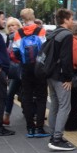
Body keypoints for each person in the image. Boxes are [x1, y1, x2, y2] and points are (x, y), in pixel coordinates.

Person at [15, 8, 49, 138]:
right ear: (33, 17)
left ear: (23, 19)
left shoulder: (19, 33)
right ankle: (40, 127)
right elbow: (45, 49)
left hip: (26, 68)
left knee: (27, 97)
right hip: (39, 68)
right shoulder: (40, 31)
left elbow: (16, 51)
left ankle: (30, 128)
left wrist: (23, 62)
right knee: (41, 97)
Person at [46, 8, 76, 152]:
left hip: (50, 75)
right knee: (65, 106)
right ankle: (57, 138)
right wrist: (68, 78)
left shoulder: (52, 33)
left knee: (55, 105)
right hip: (60, 77)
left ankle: (53, 134)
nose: (73, 21)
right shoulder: (67, 35)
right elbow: (66, 59)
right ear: (65, 19)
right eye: (71, 18)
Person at [2, 17, 23, 127]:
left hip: (22, 69)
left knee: (25, 93)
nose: (11, 28)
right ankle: (6, 116)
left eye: (13, 25)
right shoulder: (9, 38)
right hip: (14, 71)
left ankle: (30, 114)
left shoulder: (22, 37)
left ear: (19, 26)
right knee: (10, 94)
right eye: (9, 26)